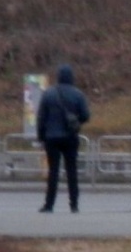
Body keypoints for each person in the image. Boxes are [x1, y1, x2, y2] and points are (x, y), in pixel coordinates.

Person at [36, 64, 91, 213]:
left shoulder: (48, 94)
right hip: (70, 137)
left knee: (53, 171)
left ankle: (49, 204)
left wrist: (41, 137)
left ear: (58, 77)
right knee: (72, 171)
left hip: (51, 138)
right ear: (71, 77)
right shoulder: (78, 94)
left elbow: (41, 118)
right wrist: (76, 122)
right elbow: (86, 115)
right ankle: (74, 204)